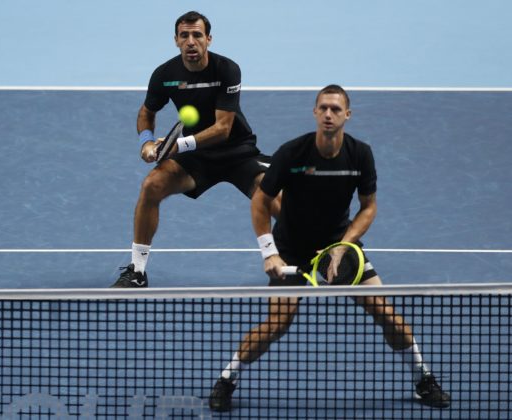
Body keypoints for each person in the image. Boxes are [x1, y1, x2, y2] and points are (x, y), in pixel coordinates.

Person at [208, 85, 450, 410]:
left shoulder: (360, 154)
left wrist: (343, 246)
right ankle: (227, 379)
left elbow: (369, 207)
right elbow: (261, 200)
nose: (328, 114)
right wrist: (269, 252)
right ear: (314, 112)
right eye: (323, 108)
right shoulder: (292, 153)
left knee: (388, 315)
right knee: (278, 323)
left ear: (347, 115)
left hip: (340, 247)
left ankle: (423, 379)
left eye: (336, 109)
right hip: (291, 250)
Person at [111, 11, 279, 287]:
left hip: (238, 152)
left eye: (197, 35)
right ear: (176, 41)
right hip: (197, 158)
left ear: (208, 39)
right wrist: (146, 142)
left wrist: (177, 145)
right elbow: (146, 112)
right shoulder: (164, 75)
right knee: (152, 184)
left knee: (278, 201)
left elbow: (223, 128)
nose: (191, 41)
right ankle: (137, 271)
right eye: (184, 36)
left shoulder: (227, 69)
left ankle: (322, 257)